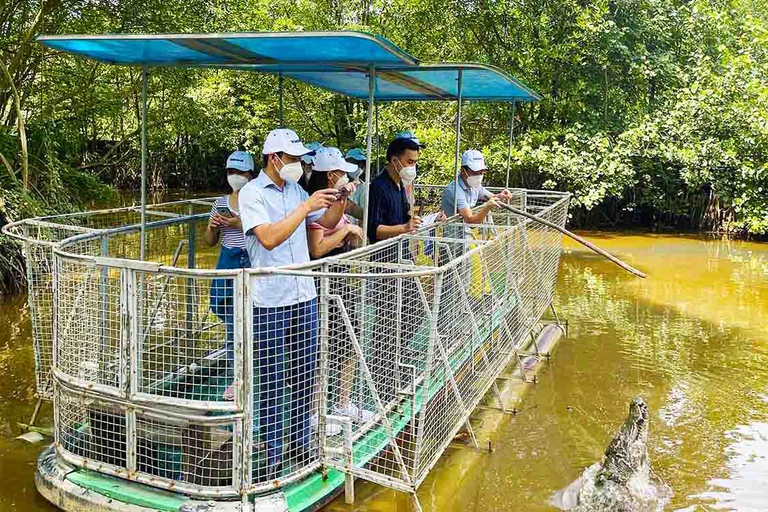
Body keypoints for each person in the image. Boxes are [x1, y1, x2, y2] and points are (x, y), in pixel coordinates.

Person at [239, 128, 346, 477]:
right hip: (270, 299)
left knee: (304, 374)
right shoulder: (252, 194)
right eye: (294, 160)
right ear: (274, 159)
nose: (299, 165)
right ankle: (270, 456)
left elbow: (324, 221)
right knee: (271, 380)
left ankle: (300, 443)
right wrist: (305, 206)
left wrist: (339, 198)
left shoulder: (297, 190)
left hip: (304, 295)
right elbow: (268, 238)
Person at [305, 147, 374, 425]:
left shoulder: (336, 201)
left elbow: (348, 225)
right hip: (323, 281)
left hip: (341, 280)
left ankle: (343, 403)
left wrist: (351, 234)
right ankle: (314, 413)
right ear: (331, 174)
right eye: (342, 172)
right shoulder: (316, 204)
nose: (347, 176)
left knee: (347, 340)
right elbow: (317, 248)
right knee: (321, 346)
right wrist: (346, 232)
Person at [204, 150, 255, 401]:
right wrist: (214, 227)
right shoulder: (220, 203)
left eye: (240, 172)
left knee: (249, 321)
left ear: (250, 174)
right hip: (227, 261)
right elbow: (209, 241)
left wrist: (241, 223)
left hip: (250, 261)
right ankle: (240, 376)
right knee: (229, 317)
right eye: (231, 172)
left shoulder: (256, 200)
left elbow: (265, 231)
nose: (235, 176)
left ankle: (245, 377)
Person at [366, 136, 422, 249]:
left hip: (401, 252)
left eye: (415, 163)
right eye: (410, 162)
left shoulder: (401, 183)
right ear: (395, 161)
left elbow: (403, 218)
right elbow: (373, 230)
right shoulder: (379, 186)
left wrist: (430, 220)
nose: (413, 167)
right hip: (384, 257)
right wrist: (404, 228)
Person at [441, 149, 511, 227]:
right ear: (463, 171)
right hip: (452, 234)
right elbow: (470, 221)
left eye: (481, 172)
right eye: (474, 172)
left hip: (465, 231)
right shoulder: (455, 191)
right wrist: (486, 208)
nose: (478, 176)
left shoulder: (474, 185)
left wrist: (501, 196)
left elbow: (492, 197)